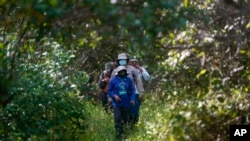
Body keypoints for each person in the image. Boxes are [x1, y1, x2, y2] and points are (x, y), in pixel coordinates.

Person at [111, 53, 144, 125]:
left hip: (131, 94)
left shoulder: (133, 70)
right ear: (118, 61)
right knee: (120, 116)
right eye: (121, 60)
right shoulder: (114, 71)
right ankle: (122, 131)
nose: (122, 61)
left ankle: (133, 127)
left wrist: (141, 92)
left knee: (134, 113)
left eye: (124, 60)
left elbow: (138, 81)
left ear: (127, 60)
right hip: (119, 96)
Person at [108, 66, 136, 140]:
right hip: (116, 104)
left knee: (126, 120)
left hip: (126, 103)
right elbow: (109, 91)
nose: (122, 73)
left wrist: (132, 99)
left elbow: (132, 91)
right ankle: (118, 137)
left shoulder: (128, 80)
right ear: (118, 73)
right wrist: (114, 96)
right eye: (121, 72)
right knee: (117, 119)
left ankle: (125, 136)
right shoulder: (113, 80)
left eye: (124, 71)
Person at [129, 57, 150, 124]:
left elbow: (147, 78)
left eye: (135, 62)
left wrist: (141, 70)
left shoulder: (141, 69)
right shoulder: (127, 70)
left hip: (138, 93)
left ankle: (134, 124)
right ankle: (129, 123)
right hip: (129, 93)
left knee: (136, 109)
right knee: (129, 109)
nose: (134, 63)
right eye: (132, 62)